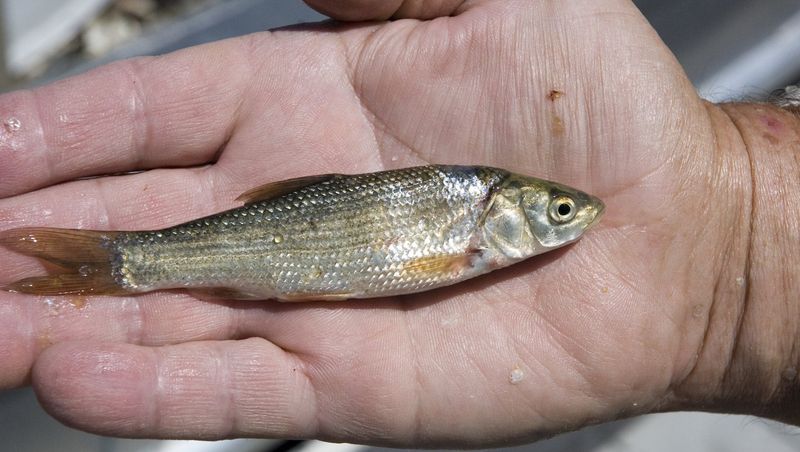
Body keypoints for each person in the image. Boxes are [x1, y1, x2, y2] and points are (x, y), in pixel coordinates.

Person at [0, 0, 798, 446]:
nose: (572, 221)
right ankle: (119, 262)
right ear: (506, 217)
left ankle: (114, 263)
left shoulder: (478, 218)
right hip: (291, 242)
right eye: (556, 213)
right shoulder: (465, 226)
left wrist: (732, 230)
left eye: (559, 213)